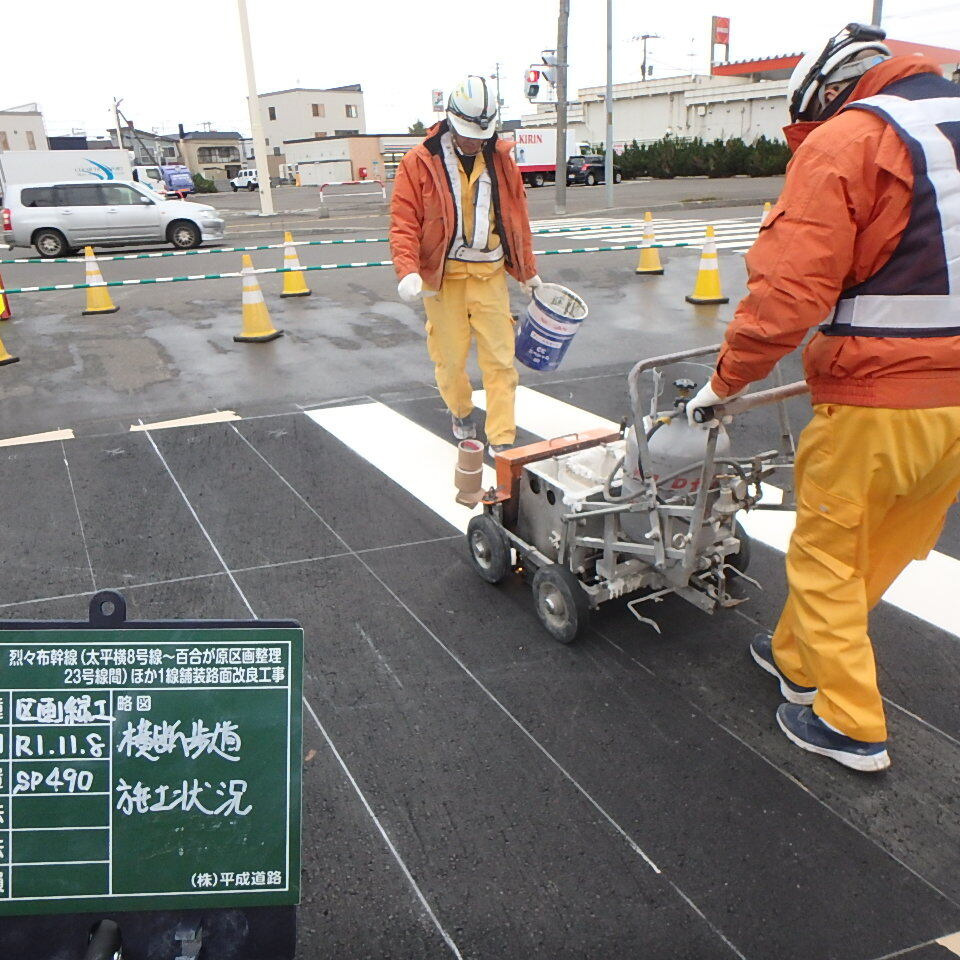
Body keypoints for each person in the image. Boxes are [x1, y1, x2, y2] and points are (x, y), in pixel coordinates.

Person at [685, 23, 960, 773]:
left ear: (831, 92)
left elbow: (787, 293)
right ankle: (796, 657)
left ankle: (849, 722)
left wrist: (723, 384)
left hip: (882, 398)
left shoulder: (852, 140)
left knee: (829, 552)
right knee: (887, 542)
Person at [390, 76, 542, 453]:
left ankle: (502, 438)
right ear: (452, 120)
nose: (476, 140)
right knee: (450, 359)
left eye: (482, 132)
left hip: (489, 275)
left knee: (501, 361)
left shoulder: (501, 159)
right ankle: (460, 411)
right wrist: (407, 269)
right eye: (469, 132)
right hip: (443, 280)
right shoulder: (419, 161)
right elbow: (404, 220)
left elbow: (515, 216)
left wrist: (527, 269)